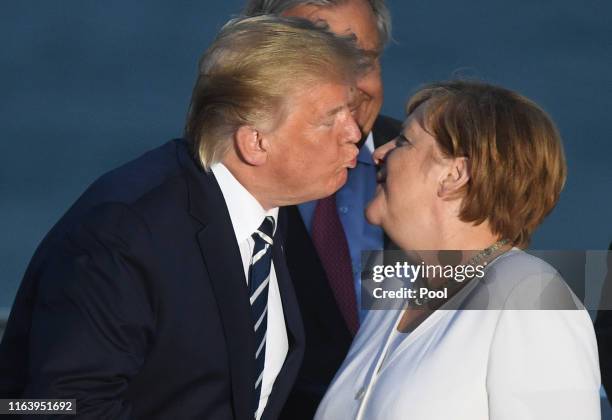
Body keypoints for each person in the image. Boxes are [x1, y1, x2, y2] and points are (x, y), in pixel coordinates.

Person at [0, 16, 369, 419]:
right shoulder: (124, 235)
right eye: (329, 119)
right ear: (255, 142)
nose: (354, 131)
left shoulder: (270, 216)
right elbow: (54, 407)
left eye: (350, 112)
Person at [315, 80, 602, 419]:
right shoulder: (396, 288)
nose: (378, 153)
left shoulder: (528, 296)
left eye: (404, 141)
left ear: (454, 175)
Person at [242, 1, 401, 417]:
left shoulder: (435, 167)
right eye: (318, 60)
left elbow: (506, 290)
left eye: (361, 60)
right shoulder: (220, 181)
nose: (346, 87)